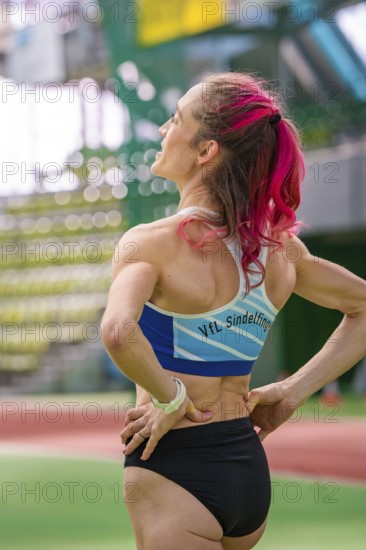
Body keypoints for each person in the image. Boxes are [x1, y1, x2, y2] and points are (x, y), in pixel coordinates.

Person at [101, 72, 366, 550]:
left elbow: (119, 331)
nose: (163, 129)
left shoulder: (150, 243)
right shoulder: (282, 252)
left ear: (206, 152)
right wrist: (290, 392)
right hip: (246, 465)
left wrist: (169, 398)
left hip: (174, 464)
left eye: (176, 119)